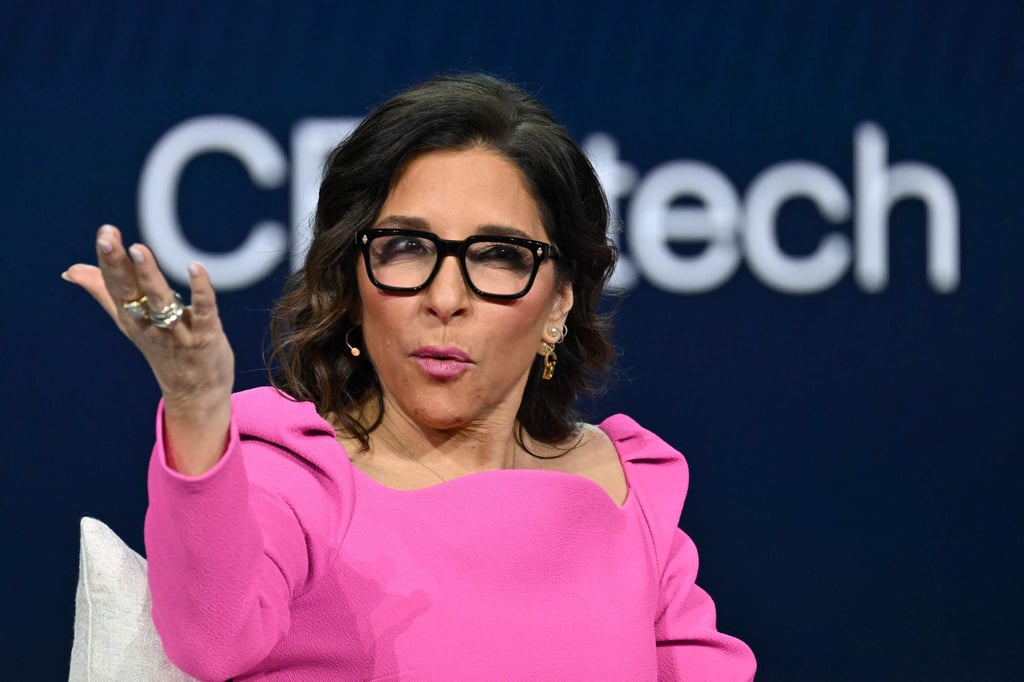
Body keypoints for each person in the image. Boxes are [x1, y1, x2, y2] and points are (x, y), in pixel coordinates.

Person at [64, 74, 756, 681]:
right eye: (405, 247)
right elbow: (212, 641)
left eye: (497, 255)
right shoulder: (297, 470)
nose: (445, 297)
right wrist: (193, 404)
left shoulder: (629, 490)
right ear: (352, 281)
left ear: (560, 301)